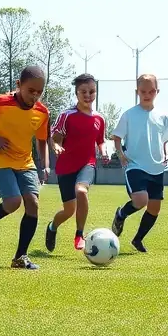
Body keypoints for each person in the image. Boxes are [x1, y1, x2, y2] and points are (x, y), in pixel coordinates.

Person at [0, 66, 51, 270]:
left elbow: (42, 139)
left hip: (26, 162)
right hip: (0, 158)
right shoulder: (1, 102)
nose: (34, 96)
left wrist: (45, 165)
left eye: (39, 92)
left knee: (32, 203)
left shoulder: (42, 112)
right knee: (13, 202)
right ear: (19, 85)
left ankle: (20, 257)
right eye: (30, 90)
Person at [45, 73, 107, 253]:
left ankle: (80, 234)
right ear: (76, 93)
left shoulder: (99, 119)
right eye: (84, 92)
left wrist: (103, 151)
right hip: (66, 167)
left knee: (81, 191)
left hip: (87, 163)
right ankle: (52, 227)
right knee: (68, 210)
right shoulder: (67, 115)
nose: (88, 95)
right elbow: (55, 138)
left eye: (92, 91)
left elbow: (100, 141)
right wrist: (56, 146)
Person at [110, 74, 168, 254]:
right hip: (135, 165)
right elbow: (117, 137)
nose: (147, 94)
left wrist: (167, 154)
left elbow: (166, 141)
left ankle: (137, 239)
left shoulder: (164, 116)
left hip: (157, 168)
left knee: (154, 208)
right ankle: (121, 215)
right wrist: (120, 154)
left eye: (151, 91)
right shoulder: (129, 114)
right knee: (140, 200)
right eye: (143, 91)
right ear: (137, 92)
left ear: (157, 92)